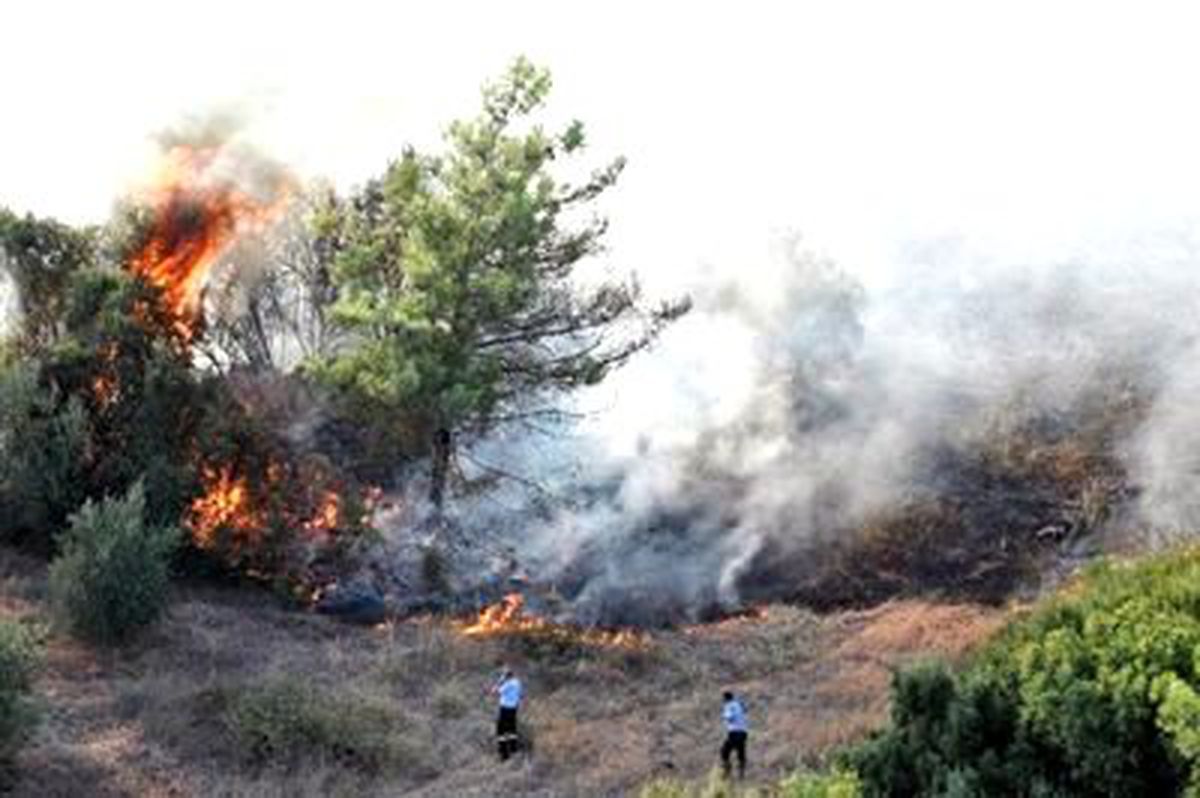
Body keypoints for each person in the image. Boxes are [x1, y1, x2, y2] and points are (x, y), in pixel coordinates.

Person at [490, 667, 523, 761]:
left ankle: (504, 755)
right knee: (512, 729)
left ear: (506, 676)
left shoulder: (507, 684)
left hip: (505, 709)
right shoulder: (517, 682)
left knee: (500, 730)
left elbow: (494, 692)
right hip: (514, 709)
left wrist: (499, 682)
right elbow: (520, 695)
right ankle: (514, 750)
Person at [720, 690, 749, 779]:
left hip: (734, 732)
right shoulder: (740, 704)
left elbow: (729, 717)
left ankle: (727, 771)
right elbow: (746, 710)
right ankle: (741, 773)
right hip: (744, 732)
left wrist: (724, 716)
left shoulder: (729, 705)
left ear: (725, 698)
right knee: (741, 751)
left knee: (724, 751)